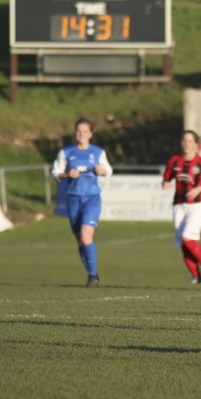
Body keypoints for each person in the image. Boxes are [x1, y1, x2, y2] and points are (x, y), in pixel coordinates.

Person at [52, 118, 113, 288]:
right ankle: (92, 273)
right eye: (78, 131)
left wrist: (103, 171)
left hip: (92, 199)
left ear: (91, 134)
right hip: (73, 199)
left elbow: (108, 170)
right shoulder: (66, 152)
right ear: (74, 133)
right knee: (80, 242)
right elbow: (55, 173)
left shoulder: (98, 152)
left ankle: (93, 276)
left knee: (86, 238)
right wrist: (66, 175)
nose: (81, 134)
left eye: (85, 131)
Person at [162, 130, 201, 285]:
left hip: (197, 206)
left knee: (188, 238)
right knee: (182, 243)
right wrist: (165, 183)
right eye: (184, 140)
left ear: (195, 144)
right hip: (178, 205)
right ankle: (196, 276)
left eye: (190, 141)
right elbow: (167, 177)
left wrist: (198, 189)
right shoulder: (174, 161)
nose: (186, 144)